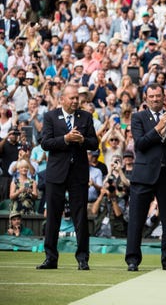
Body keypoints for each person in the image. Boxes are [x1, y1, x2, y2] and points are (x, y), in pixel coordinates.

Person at [125, 83, 166, 272]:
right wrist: (158, 128)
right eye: (151, 96)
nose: (155, 99)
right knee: (136, 219)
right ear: (146, 97)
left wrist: (164, 133)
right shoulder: (138, 117)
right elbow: (141, 144)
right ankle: (133, 260)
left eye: (158, 96)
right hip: (143, 175)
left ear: (164, 96)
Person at [37, 84, 99, 270]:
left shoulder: (86, 117)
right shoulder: (50, 117)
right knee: (53, 217)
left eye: (76, 98)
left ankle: (82, 259)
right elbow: (45, 143)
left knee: (80, 217)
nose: (75, 101)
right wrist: (65, 139)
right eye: (71, 98)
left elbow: (95, 143)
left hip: (78, 174)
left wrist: (82, 140)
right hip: (56, 173)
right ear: (61, 99)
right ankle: (50, 258)